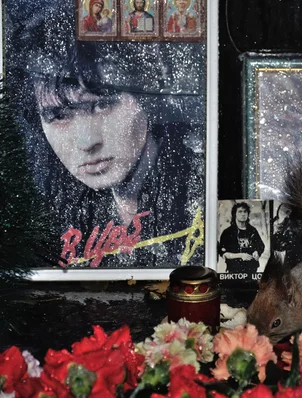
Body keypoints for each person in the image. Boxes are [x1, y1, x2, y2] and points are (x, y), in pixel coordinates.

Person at [4, 0, 205, 268]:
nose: (88, 142)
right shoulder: (42, 209)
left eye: (103, 104)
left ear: (146, 98)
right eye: (58, 116)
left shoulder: (201, 183)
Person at [218, 202, 265, 274]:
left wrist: (257, 252)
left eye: (245, 211)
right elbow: (224, 253)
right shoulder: (227, 232)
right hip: (234, 270)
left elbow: (261, 245)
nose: (243, 214)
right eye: (240, 211)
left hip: (251, 270)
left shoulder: (253, 230)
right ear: (234, 214)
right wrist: (241, 255)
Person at [271, 202, 302, 267]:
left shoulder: (293, 224)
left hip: (296, 257)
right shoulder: (284, 225)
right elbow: (277, 246)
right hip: (293, 258)